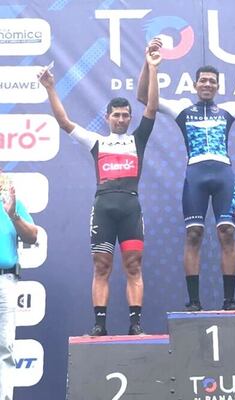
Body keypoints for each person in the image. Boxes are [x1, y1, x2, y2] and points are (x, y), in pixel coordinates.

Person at [137, 40, 235, 311]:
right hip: (195, 176)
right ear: (195, 85)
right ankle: (194, 301)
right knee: (194, 234)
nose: (207, 84)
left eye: (212, 81)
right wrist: (149, 65)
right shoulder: (182, 109)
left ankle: (229, 300)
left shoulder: (228, 110)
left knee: (227, 233)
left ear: (218, 86)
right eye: (203, 81)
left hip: (223, 174)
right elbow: (144, 98)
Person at [38, 46, 161, 336]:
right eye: (116, 115)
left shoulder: (138, 139)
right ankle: (100, 325)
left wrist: (153, 67)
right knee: (101, 266)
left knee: (133, 266)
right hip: (104, 208)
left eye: (125, 115)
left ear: (130, 118)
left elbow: (152, 108)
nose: (121, 119)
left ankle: (135, 325)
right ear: (107, 118)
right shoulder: (97, 142)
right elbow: (65, 123)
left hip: (130, 209)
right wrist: (51, 88)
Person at [0, 173, 38, 400]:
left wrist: (13, 215)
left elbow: (33, 236)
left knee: (4, 348)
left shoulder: (11, 203)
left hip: (4, 281)